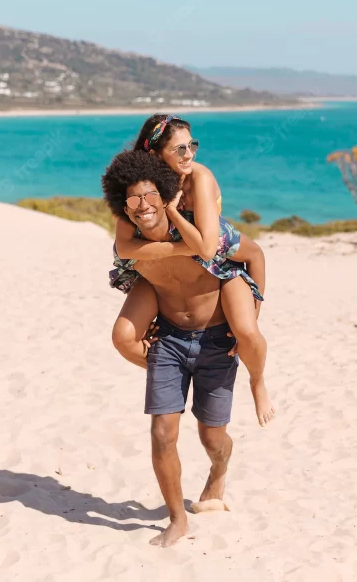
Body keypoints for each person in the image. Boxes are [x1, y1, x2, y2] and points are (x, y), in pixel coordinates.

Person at [102, 150, 267, 548]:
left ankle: (219, 469)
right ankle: (177, 519)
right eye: (133, 200)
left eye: (149, 196)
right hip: (170, 342)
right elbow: (129, 263)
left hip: (217, 342)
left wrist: (255, 308)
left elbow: (254, 254)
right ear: (122, 207)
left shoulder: (201, 235)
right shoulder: (132, 245)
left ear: (165, 196)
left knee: (213, 440)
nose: (142, 206)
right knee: (162, 433)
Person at [113, 114, 275, 427]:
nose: (189, 154)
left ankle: (257, 382)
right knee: (123, 337)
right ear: (155, 154)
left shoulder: (199, 177)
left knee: (247, 330)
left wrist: (254, 311)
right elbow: (125, 248)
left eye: (192, 145)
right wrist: (178, 246)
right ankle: (172, 371)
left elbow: (206, 247)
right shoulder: (140, 187)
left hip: (212, 240)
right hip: (182, 250)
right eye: (179, 149)